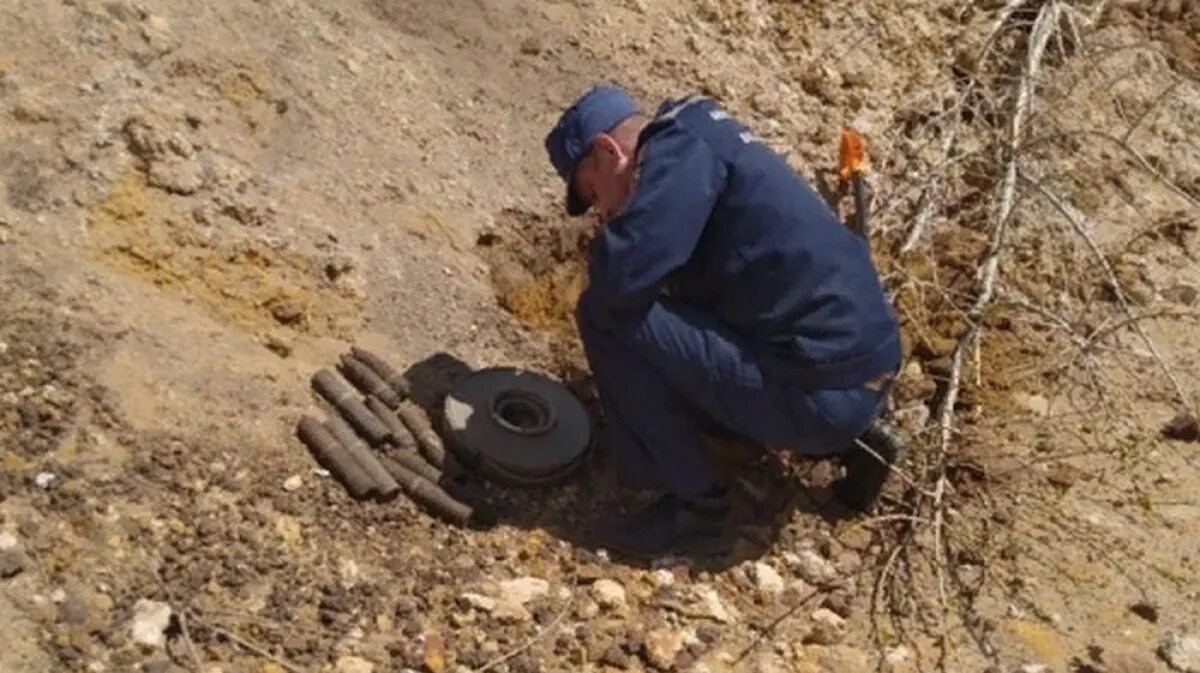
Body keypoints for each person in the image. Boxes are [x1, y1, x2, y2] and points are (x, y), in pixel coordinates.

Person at [543, 84, 905, 559]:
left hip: (820, 397)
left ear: (608, 152)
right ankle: (856, 439)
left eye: (594, 194)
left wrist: (617, 244)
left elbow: (621, 281)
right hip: (866, 373)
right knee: (687, 311)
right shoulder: (706, 133)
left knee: (605, 315)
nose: (604, 213)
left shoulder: (677, 156)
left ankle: (697, 507)